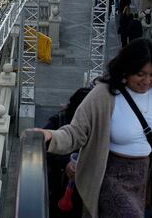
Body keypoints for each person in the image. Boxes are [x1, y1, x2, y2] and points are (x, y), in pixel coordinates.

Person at [35, 38, 152, 218]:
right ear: (126, 69)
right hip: (109, 175)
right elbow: (76, 132)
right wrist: (49, 135)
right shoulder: (104, 94)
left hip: (142, 178)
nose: (147, 81)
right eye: (140, 73)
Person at [44, 88, 91, 218]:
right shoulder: (58, 120)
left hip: (87, 188)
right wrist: (66, 163)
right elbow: (45, 150)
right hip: (60, 184)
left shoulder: (98, 124)